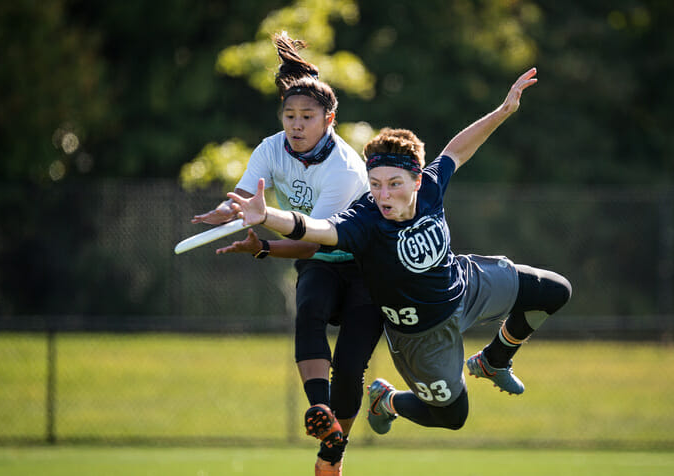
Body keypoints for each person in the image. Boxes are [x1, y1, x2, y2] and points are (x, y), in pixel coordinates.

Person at [225, 67, 571, 437]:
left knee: (555, 291)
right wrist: (268, 216)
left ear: (417, 180)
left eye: (393, 184)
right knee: (453, 417)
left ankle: (493, 359)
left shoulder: (431, 186)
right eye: (375, 185)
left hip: (467, 286)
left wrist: (503, 110)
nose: (383, 195)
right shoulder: (365, 221)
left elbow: (457, 149)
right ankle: (385, 401)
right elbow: (319, 229)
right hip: (423, 335)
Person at [191, 32, 383, 476]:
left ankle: (331, 458)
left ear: (329, 120)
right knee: (310, 305)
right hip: (319, 263)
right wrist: (224, 214)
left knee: (352, 372)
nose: (296, 126)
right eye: (289, 117)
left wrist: (263, 247)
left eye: (307, 118)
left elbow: (315, 236)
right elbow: (244, 198)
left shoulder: (343, 169)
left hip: (364, 267)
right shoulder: (270, 149)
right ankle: (322, 416)